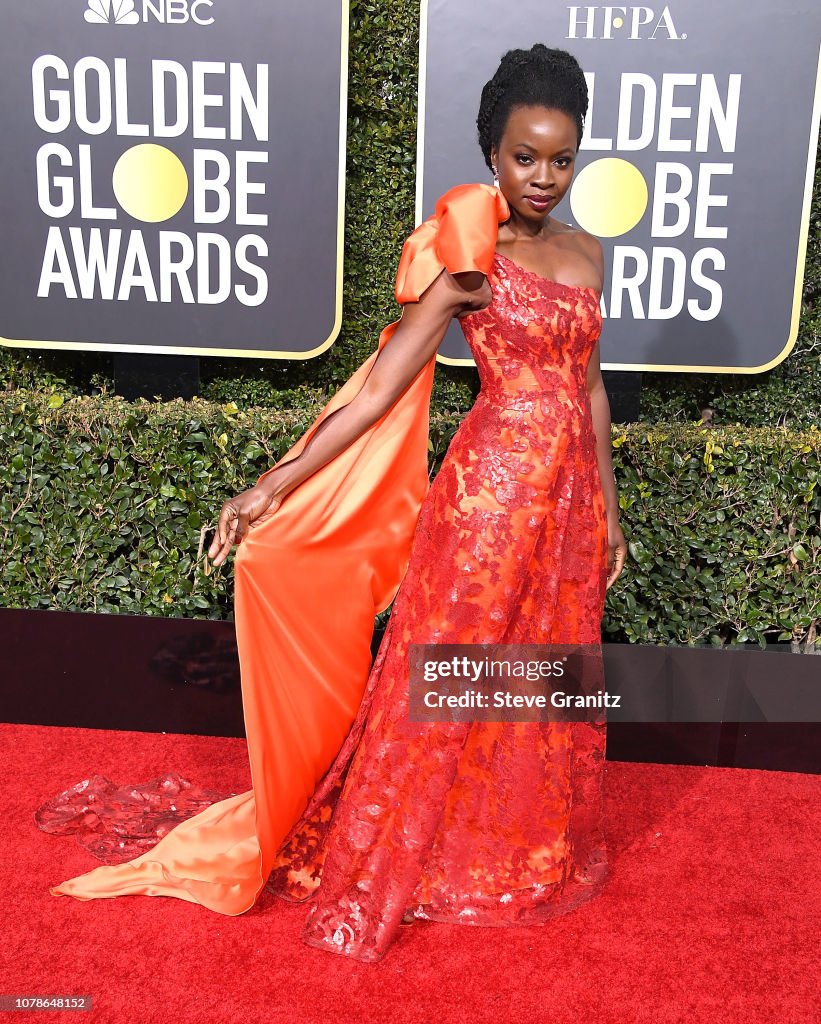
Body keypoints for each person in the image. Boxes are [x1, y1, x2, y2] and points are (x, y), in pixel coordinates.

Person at [39, 43, 627, 964]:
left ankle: (511, 847)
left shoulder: (592, 254)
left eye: (560, 156)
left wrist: (611, 506)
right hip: (484, 504)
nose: (543, 176)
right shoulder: (471, 264)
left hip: (566, 508)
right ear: (491, 153)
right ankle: (405, 853)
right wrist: (270, 483)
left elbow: (587, 387)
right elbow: (379, 391)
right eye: (524, 157)